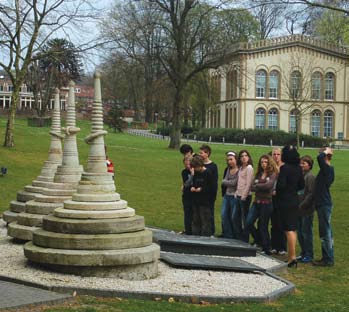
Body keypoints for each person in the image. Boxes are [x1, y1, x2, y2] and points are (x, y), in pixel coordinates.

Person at [276, 145, 304, 268]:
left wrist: (278, 190)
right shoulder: (298, 168)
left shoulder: (284, 168)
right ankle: (291, 255)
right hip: (294, 199)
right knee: (293, 228)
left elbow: (281, 185)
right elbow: (301, 185)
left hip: (285, 200)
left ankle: (292, 257)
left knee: (288, 229)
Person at [245, 155, 278, 255]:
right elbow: (252, 187)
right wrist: (261, 185)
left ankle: (266, 247)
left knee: (263, 225)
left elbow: (269, 186)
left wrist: (258, 185)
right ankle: (258, 239)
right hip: (256, 202)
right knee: (248, 223)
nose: (263, 164)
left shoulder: (272, 174)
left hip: (266, 203)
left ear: (269, 163)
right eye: (262, 162)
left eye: (265, 162)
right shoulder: (259, 174)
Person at [313, 147, 335, 267]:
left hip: (324, 204)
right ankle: (328, 257)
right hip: (322, 203)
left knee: (325, 232)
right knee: (327, 232)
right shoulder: (327, 170)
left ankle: (328, 259)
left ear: (325, 156)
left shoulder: (327, 169)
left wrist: (326, 151)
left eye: (322, 154)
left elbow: (319, 158)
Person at [297, 155, 316, 263]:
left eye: (304, 163)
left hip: (306, 210)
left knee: (306, 232)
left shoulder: (310, 177)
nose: (301, 165)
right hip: (298, 209)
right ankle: (303, 252)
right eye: (301, 163)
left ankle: (309, 254)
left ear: (309, 165)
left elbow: (311, 194)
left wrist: (302, 204)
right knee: (299, 232)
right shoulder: (301, 176)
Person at [190, 155, 215, 237]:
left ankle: (205, 237)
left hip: (205, 201)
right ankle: (195, 235)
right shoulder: (196, 173)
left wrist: (201, 189)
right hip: (196, 200)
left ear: (200, 165)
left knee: (205, 220)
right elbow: (194, 182)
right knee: (195, 219)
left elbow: (211, 187)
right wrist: (193, 187)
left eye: (196, 167)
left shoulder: (208, 173)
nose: (195, 169)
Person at [234, 149, 254, 242]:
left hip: (245, 196)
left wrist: (244, 196)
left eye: (245, 155)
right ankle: (238, 236)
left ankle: (245, 238)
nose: (244, 157)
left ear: (248, 157)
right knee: (235, 217)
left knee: (245, 218)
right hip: (238, 194)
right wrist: (236, 192)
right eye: (242, 156)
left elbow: (249, 183)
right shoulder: (241, 168)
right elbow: (239, 182)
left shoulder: (249, 168)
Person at [270, 147, 287, 255]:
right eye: (274, 154)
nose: (276, 156)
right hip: (271, 197)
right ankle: (274, 245)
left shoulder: (284, 167)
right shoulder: (270, 167)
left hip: (281, 198)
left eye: (278, 154)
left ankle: (282, 247)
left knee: (281, 223)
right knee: (273, 223)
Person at [199, 144, 218, 235]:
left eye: (201, 153)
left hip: (209, 195)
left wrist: (213, 195)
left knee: (209, 214)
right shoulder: (199, 164)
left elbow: (214, 182)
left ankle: (211, 232)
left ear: (207, 153)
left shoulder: (213, 166)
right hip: (200, 194)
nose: (200, 155)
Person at [221, 151, 239, 239]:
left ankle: (236, 235)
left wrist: (226, 182)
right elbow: (223, 181)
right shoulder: (227, 169)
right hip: (227, 195)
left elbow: (234, 183)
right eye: (228, 160)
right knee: (224, 215)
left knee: (233, 216)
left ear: (236, 159)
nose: (229, 162)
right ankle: (228, 235)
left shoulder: (239, 170)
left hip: (234, 196)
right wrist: (226, 182)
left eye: (231, 159)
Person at [181, 155, 194, 235]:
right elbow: (186, 183)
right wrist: (192, 175)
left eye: (189, 164)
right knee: (187, 213)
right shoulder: (184, 172)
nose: (187, 166)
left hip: (194, 196)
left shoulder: (197, 171)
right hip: (187, 195)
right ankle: (187, 229)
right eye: (186, 165)